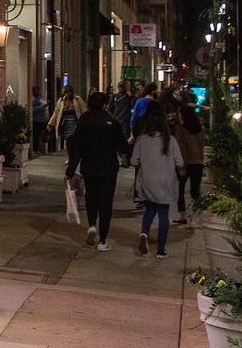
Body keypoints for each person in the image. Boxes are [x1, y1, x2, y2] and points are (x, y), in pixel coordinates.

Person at [66, 92, 129, 251]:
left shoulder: (84, 121)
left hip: (89, 167)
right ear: (104, 105)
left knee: (91, 198)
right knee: (106, 203)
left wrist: (70, 171)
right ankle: (102, 241)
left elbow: (76, 148)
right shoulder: (112, 122)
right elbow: (122, 146)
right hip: (108, 168)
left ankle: (92, 225)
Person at [130, 110, 185, 258]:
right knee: (163, 215)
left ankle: (144, 233)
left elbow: (133, 161)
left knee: (149, 209)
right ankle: (161, 250)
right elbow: (179, 162)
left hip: (148, 181)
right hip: (166, 182)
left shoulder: (141, 140)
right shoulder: (170, 140)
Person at [174, 106, 207, 220]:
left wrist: (180, 165)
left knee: (180, 189)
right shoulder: (199, 129)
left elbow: (181, 148)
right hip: (198, 162)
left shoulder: (180, 129)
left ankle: (182, 215)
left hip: (186, 162)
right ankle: (198, 214)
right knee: (195, 191)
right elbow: (201, 145)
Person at [48, 87, 83, 153]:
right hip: (66, 124)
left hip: (76, 123)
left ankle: (74, 156)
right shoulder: (61, 101)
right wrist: (50, 123)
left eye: (68, 92)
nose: (66, 94)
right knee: (68, 140)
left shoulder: (77, 99)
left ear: (71, 92)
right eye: (65, 93)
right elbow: (56, 113)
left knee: (74, 140)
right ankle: (70, 155)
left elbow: (83, 110)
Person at [30, 88, 49, 155]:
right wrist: (43, 106)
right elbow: (33, 110)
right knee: (36, 136)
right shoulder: (33, 100)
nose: (39, 93)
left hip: (41, 120)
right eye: (38, 91)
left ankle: (38, 149)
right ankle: (35, 150)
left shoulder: (40, 100)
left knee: (39, 136)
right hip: (36, 120)